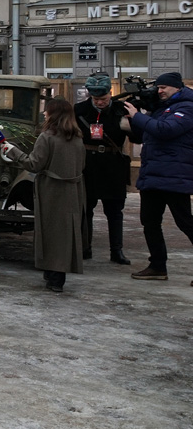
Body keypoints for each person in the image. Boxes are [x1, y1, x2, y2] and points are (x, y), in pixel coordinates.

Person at [2, 98, 86, 293]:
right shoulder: (77, 138)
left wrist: (13, 152)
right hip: (73, 190)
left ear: (52, 114)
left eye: (47, 111)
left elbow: (34, 164)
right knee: (65, 232)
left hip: (51, 189)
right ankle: (56, 274)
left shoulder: (47, 137)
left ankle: (54, 276)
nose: (44, 114)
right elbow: (81, 166)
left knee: (50, 231)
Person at [122, 71, 193, 284]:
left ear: (177, 88)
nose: (159, 91)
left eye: (164, 88)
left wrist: (138, 115)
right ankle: (157, 266)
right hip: (153, 175)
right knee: (150, 222)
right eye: (158, 87)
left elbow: (164, 130)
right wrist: (132, 119)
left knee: (185, 223)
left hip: (174, 175)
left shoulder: (187, 108)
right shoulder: (162, 109)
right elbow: (145, 135)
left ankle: (158, 266)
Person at [74, 72, 139, 264]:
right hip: (89, 165)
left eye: (103, 99)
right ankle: (85, 247)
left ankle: (116, 251)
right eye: (95, 99)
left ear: (110, 93)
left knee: (115, 211)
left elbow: (137, 138)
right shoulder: (80, 110)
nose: (99, 102)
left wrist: (132, 124)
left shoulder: (121, 109)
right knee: (86, 210)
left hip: (114, 164)